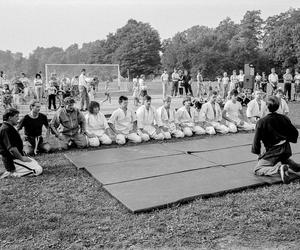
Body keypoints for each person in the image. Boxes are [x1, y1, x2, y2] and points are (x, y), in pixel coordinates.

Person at [252, 96, 300, 183]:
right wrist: (287, 139)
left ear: (266, 106)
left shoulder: (262, 122)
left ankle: (279, 169)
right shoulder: (284, 118)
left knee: (258, 169)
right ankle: (297, 167)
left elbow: (256, 140)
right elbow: (295, 132)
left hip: (273, 151)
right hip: (285, 148)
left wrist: (258, 154)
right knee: (284, 159)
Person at [0, 108, 43, 178]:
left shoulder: (9, 127)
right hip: (12, 160)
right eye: (16, 116)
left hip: (16, 157)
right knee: (38, 170)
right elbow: (12, 148)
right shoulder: (5, 129)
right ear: (10, 118)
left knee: (35, 163)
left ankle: (18, 170)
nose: (18, 119)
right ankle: (11, 173)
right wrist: (22, 158)